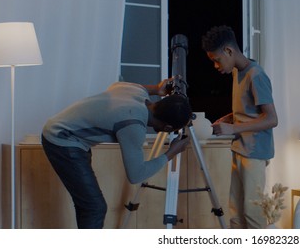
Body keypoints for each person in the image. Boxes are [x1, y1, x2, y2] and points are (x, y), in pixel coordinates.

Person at [41, 79, 192, 229]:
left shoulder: (135, 91)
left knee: (87, 205)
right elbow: (136, 175)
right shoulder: (133, 125)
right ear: (168, 127)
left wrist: (156, 89)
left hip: (67, 134)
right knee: (94, 208)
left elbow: (116, 85)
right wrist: (171, 152)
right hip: (62, 139)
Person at [201, 25, 278, 229]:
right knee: (235, 211)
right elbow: (247, 111)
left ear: (229, 51)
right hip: (239, 147)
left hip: (254, 152)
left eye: (217, 60)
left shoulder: (256, 75)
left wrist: (233, 129)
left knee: (253, 213)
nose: (216, 66)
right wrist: (228, 119)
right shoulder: (237, 73)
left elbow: (271, 119)